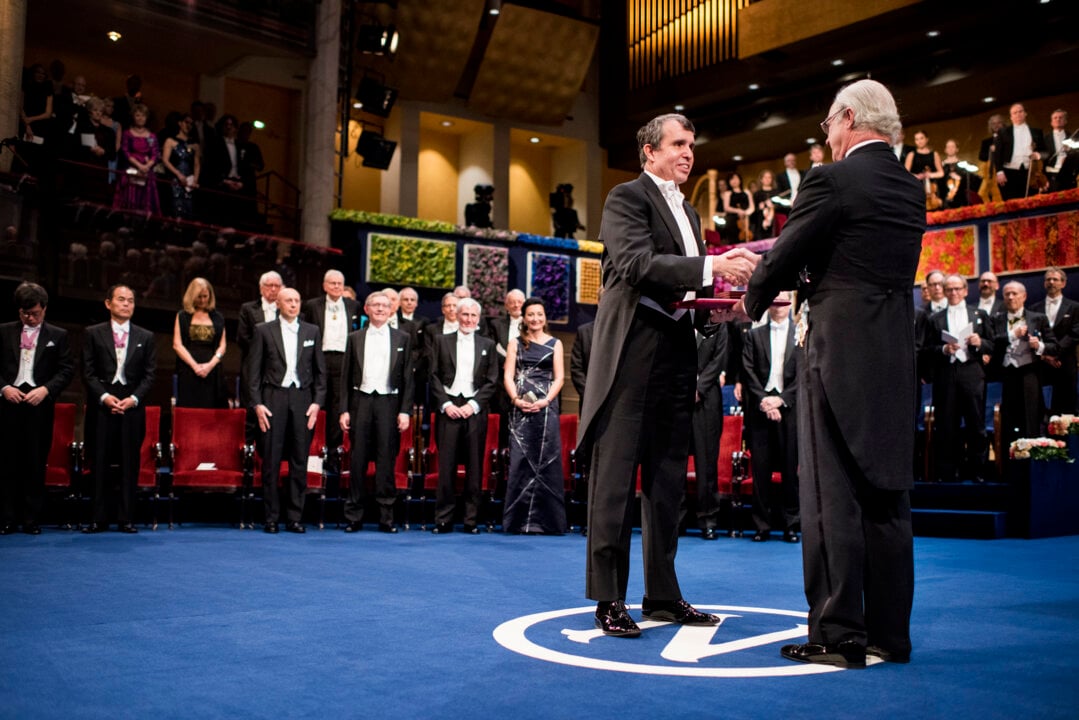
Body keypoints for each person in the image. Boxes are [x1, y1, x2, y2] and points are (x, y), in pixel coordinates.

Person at [740, 79, 925, 667]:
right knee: (888, 494)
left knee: (830, 495)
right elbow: (853, 256)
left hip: (836, 354)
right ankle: (890, 636)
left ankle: (838, 634)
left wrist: (753, 291)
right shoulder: (911, 189)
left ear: (848, 118)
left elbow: (788, 256)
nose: (826, 137)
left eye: (827, 125)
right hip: (894, 353)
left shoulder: (831, 179)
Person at [579, 112, 758, 638]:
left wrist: (721, 312)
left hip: (677, 354)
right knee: (614, 483)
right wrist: (716, 266)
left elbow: (688, 297)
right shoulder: (625, 198)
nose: (688, 153)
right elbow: (636, 265)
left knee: (665, 485)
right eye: (678, 144)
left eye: (692, 145)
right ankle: (608, 599)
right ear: (649, 152)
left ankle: (662, 595)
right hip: (630, 352)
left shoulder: (692, 211)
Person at [247, 287, 326, 534]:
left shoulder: (312, 330)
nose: (293, 304)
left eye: (297, 300)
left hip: (303, 400)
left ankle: (295, 517)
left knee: (299, 460)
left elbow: (320, 372)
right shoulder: (263, 330)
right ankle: (271, 517)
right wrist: (258, 404)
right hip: (273, 398)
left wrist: (317, 403)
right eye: (288, 300)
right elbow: (253, 373)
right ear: (278, 304)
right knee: (270, 460)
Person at [0, 283, 75, 535]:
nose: (30, 318)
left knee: (35, 462)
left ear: (44, 308)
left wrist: (45, 390)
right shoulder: (4, 331)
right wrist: (4, 388)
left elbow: (66, 370)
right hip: (8, 406)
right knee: (7, 463)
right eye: (25, 313)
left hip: (39, 406)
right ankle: (7, 518)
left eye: (34, 313)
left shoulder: (58, 335)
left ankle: (31, 519)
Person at [82, 285, 157, 534]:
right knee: (99, 462)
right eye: (121, 299)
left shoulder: (146, 336)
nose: (126, 304)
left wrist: (134, 398)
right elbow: (88, 372)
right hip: (102, 405)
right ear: (108, 303)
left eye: (131, 301)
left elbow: (150, 375)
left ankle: (126, 518)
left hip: (132, 406)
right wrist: (104, 397)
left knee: (129, 464)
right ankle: (97, 518)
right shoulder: (93, 333)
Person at [339, 291, 413, 533]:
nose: (380, 308)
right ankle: (354, 516)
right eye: (375, 305)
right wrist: (344, 410)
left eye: (385, 305)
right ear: (367, 310)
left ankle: (386, 518)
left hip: (389, 403)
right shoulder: (354, 337)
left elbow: (408, 380)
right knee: (358, 460)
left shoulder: (403, 338)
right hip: (360, 402)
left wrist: (405, 411)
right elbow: (345, 377)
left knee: (385, 461)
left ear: (392, 309)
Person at [428, 298, 499, 534]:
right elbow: (434, 376)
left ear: (478, 319)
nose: (468, 319)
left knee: (474, 467)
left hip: (474, 409)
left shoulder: (488, 344)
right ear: (456, 316)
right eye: (464, 315)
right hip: (449, 408)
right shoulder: (440, 341)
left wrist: (474, 405)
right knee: (446, 466)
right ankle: (443, 520)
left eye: (473, 316)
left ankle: (471, 520)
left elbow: (492, 381)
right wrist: (446, 404)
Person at [502, 298, 566, 534]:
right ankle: (517, 522)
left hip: (547, 408)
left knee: (546, 461)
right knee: (520, 461)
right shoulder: (515, 343)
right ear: (524, 318)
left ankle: (549, 523)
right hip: (521, 408)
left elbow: (559, 377)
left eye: (539, 314)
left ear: (545, 317)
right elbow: (508, 376)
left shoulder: (556, 343)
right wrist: (516, 400)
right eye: (531, 314)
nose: (535, 319)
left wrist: (546, 400)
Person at [921, 275, 993, 483]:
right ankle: (948, 472)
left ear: (965, 290)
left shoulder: (980, 314)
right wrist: (943, 348)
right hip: (946, 376)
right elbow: (926, 349)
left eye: (957, 289)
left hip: (972, 373)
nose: (953, 293)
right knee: (946, 426)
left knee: (976, 424)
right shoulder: (935, 318)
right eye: (949, 289)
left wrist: (980, 343)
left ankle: (977, 471)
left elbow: (992, 345)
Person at [741, 292, 800, 542]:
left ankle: (791, 525)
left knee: (790, 469)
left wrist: (782, 399)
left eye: (784, 296)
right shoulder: (754, 335)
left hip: (789, 410)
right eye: (774, 297)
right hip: (760, 408)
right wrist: (765, 401)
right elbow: (747, 371)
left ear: (791, 301)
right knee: (761, 471)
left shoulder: (801, 335)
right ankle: (761, 525)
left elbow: (803, 375)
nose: (779, 302)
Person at [990, 281, 1055, 451]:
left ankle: (1031, 464)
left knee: (1031, 419)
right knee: (1010, 421)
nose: (1011, 297)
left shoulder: (1038, 318)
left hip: (1030, 374)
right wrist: (1013, 334)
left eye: (1014, 293)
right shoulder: (996, 319)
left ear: (1024, 296)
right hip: (1007, 375)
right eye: (1007, 294)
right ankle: (1010, 466)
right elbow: (992, 342)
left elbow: (1053, 346)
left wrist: (1039, 346)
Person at [302, 270, 360, 464]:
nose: (336, 286)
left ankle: (333, 455)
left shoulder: (354, 306)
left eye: (339, 283)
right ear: (325, 286)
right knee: (313, 402)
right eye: (332, 283)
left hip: (344, 360)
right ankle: (308, 451)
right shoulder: (312, 305)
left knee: (337, 406)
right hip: (319, 358)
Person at [689, 323, 728, 540]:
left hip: (707, 401)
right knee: (674, 463)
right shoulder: (678, 320)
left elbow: (718, 360)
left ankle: (708, 519)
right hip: (677, 398)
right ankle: (676, 518)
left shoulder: (718, 327)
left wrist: (699, 388)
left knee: (706, 463)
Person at [238, 271, 283, 446]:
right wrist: (263, 353)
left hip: (277, 369)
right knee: (251, 411)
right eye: (269, 286)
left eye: (276, 286)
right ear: (261, 288)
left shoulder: (284, 310)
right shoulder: (248, 309)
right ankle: (248, 455)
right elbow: (243, 338)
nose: (273, 289)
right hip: (253, 367)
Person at [172, 277, 228, 408]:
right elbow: (177, 344)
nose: (203, 300)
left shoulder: (218, 317)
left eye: (205, 296)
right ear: (192, 296)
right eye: (199, 297)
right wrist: (195, 366)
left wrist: (209, 366)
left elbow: (222, 346)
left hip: (212, 370)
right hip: (189, 370)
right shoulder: (182, 316)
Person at [1031, 267, 1079, 415]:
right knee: (1043, 408)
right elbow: (1033, 335)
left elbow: (1074, 334)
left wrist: (1055, 353)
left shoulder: (1074, 307)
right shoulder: (1034, 308)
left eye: (1055, 279)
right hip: (1042, 365)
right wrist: (1045, 356)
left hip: (1064, 363)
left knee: (1067, 407)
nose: (1051, 282)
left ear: (1063, 283)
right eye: (1048, 279)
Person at [113, 103, 161, 214]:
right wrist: (139, 166)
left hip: (146, 172)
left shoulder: (152, 136)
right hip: (131, 169)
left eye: (143, 115)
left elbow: (155, 154)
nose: (140, 118)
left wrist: (146, 167)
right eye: (138, 115)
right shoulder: (127, 133)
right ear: (133, 117)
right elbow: (125, 151)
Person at [993, 103, 1046, 201]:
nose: (1018, 114)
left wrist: (1038, 155)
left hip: (1030, 173)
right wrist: (999, 172)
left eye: (1020, 111)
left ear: (1025, 113)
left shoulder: (1036, 132)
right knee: (1011, 203)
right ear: (1011, 117)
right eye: (1015, 113)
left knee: (1031, 201)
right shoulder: (1003, 132)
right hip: (1009, 172)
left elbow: (1045, 152)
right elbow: (997, 154)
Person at [161, 113, 200, 219]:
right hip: (174, 179)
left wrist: (195, 180)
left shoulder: (195, 145)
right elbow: (165, 160)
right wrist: (178, 174)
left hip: (189, 182)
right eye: (186, 122)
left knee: (188, 208)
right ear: (180, 123)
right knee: (175, 207)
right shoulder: (170, 141)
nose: (189, 125)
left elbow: (197, 164)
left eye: (191, 124)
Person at [1044, 109, 1079, 193]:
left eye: (1060, 117)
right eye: (1055, 118)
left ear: (1065, 121)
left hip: (1069, 175)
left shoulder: (1073, 137)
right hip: (1051, 176)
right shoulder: (1044, 139)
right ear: (1051, 122)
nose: (1058, 119)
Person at [721, 171, 755, 243]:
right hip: (733, 221)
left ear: (740, 180)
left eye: (736, 178)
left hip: (746, 220)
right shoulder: (728, 193)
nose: (734, 181)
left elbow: (752, 207)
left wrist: (746, 213)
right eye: (732, 179)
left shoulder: (747, 192)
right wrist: (738, 211)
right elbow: (726, 208)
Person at [939, 139, 970, 209]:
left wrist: (959, 178)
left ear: (957, 149)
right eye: (948, 147)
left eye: (953, 146)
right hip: (945, 201)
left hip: (961, 200)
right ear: (945, 150)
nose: (950, 149)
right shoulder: (941, 166)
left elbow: (968, 184)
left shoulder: (963, 165)